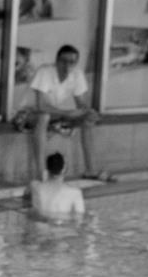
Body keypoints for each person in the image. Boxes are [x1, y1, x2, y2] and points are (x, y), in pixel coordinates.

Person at [26, 44, 111, 183]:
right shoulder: (45, 71)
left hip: (55, 114)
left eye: (71, 62)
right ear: (56, 60)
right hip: (28, 114)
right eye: (63, 61)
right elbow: (41, 106)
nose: (67, 66)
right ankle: (41, 174)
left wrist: (87, 111)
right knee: (44, 116)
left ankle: (91, 169)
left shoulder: (77, 74)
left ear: (76, 63)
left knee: (88, 119)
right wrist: (67, 113)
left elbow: (81, 103)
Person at [28, 152, 85, 223]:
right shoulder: (75, 193)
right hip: (63, 228)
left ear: (47, 169)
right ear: (63, 169)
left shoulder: (35, 187)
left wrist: (45, 178)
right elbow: (80, 220)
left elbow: (32, 186)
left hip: (41, 227)